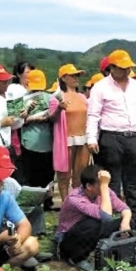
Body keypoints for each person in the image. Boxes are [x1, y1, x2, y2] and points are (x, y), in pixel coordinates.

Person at [86, 49, 136, 231]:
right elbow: (93, 115)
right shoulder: (100, 87)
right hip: (111, 136)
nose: (126, 71)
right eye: (122, 68)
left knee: (132, 181)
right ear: (112, 67)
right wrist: (92, 138)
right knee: (112, 181)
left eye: (128, 68)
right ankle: (113, 219)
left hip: (133, 136)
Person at [55, 165, 132, 271]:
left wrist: (125, 223)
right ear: (89, 186)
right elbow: (106, 217)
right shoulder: (75, 198)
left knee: (129, 221)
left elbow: (125, 208)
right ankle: (77, 258)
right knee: (93, 222)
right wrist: (104, 187)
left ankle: (116, 253)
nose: (105, 186)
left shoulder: (104, 191)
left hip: (89, 233)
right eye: (101, 183)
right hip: (69, 240)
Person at [49, 64, 90, 202]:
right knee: (64, 176)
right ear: (64, 78)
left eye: (77, 75)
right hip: (66, 139)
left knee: (80, 175)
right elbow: (52, 118)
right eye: (73, 75)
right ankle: (66, 205)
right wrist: (59, 109)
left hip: (83, 139)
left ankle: (78, 203)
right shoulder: (57, 97)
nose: (76, 78)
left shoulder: (82, 97)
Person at [19, 70, 55, 206]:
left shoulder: (21, 100)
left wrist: (30, 118)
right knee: (47, 174)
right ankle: (48, 200)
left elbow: (14, 122)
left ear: (27, 82)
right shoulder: (51, 98)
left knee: (31, 175)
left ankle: (33, 202)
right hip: (48, 143)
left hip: (28, 143)